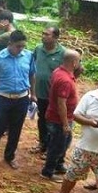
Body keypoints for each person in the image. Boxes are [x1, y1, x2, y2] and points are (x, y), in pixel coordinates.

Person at [0, 30, 36, 169]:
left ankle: (9, 156)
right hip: (3, 98)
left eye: (23, 46)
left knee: (16, 129)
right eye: (18, 46)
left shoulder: (28, 56)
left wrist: (33, 94)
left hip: (22, 98)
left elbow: (32, 75)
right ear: (10, 44)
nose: (20, 49)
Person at [40, 49, 81, 182]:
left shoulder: (59, 71)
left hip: (61, 117)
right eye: (79, 61)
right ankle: (48, 171)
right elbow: (61, 103)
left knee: (65, 141)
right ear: (74, 62)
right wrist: (64, 124)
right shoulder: (65, 80)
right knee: (57, 145)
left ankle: (58, 164)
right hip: (59, 120)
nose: (80, 63)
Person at [31, 26, 65, 157]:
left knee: (53, 123)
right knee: (42, 119)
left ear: (56, 38)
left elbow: (77, 69)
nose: (43, 36)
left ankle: (51, 148)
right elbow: (32, 66)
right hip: (40, 93)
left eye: (47, 34)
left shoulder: (63, 53)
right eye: (43, 33)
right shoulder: (38, 49)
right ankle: (42, 143)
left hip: (55, 96)